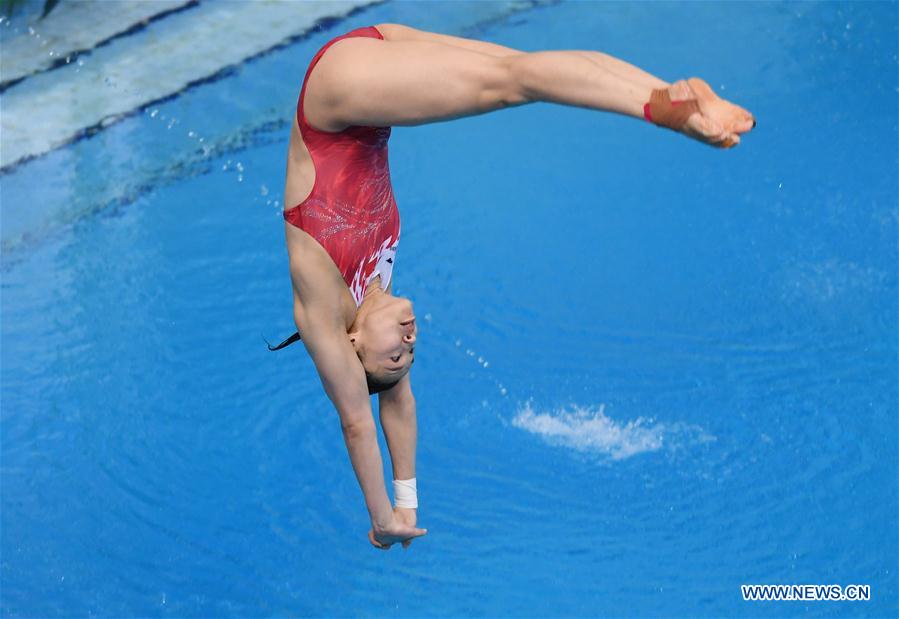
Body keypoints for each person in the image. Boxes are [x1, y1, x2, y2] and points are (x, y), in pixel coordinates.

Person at [269, 22, 755, 551]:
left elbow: (360, 422)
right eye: (410, 355)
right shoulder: (376, 287)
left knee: (514, 81)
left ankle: (667, 113)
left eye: (394, 358)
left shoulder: (322, 312)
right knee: (524, 69)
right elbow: (399, 402)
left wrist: (385, 518)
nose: (409, 345)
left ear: (353, 346)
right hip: (365, 66)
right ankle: (669, 96)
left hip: (336, 102)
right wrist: (411, 499)